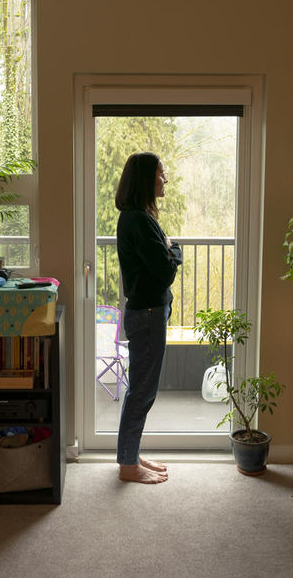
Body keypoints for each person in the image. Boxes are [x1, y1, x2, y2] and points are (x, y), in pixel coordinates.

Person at [114, 152, 183, 484]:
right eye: (160, 173)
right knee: (142, 391)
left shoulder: (137, 217)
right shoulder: (138, 220)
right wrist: (175, 249)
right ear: (145, 179)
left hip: (147, 313)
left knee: (140, 389)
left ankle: (131, 455)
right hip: (148, 315)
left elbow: (158, 261)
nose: (164, 178)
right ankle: (128, 466)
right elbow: (165, 269)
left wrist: (168, 247)